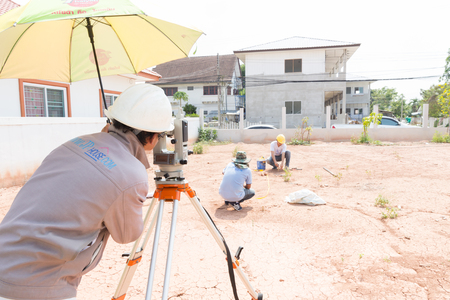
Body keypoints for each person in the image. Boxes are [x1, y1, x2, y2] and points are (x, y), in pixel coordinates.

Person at [0, 84, 174, 300]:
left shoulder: (74, 143)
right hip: (39, 285)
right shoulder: (132, 174)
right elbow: (127, 235)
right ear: (151, 137)